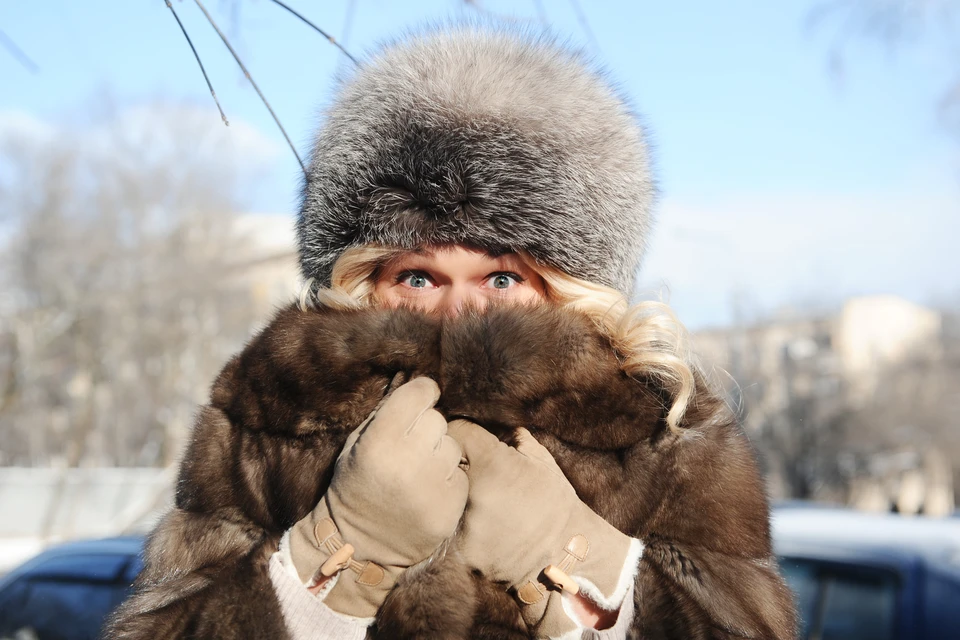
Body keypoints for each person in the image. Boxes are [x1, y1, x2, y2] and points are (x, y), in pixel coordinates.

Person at [106, 25, 797, 640]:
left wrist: (571, 556)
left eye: (500, 278)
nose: (460, 315)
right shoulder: (276, 411)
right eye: (419, 277)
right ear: (364, 280)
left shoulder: (658, 427)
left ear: (567, 281)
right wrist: (334, 555)